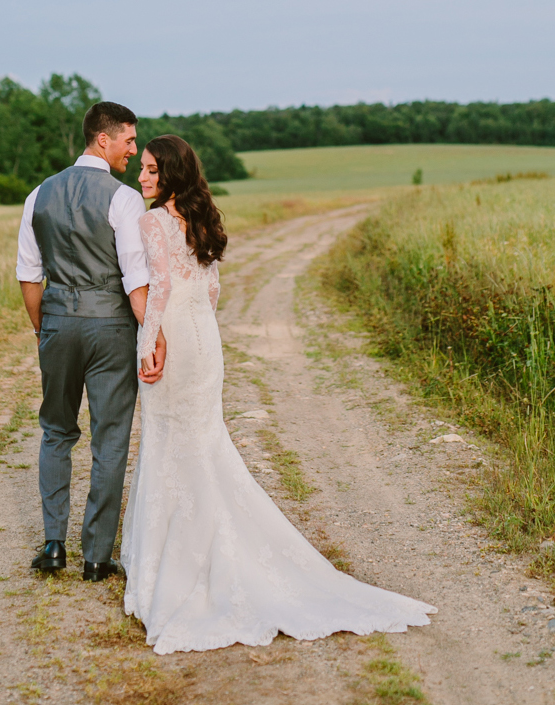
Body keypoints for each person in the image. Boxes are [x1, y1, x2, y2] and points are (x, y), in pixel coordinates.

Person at [120, 134, 436, 654]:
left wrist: (148, 344)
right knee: (202, 440)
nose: (142, 177)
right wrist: (196, 329)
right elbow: (212, 289)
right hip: (205, 338)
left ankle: (176, 558)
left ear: (171, 174)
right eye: (144, 168)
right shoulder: (200, 219)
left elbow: (160, 290)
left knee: (172, 441)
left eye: (151, 170)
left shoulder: (153, 222)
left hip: (173, 334)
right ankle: (200, 543)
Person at [15, 101, 166, 581]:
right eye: (128, 140)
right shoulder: (122, 199)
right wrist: (152, 335)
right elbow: (134, 278)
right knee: (110, 438)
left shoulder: (38, 194)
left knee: (57, 432)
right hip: (110, 329)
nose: (132, 150)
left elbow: (29, 276)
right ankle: (97, 557)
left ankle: (54, 545)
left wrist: (46, 329)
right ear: (103, 139)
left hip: (57, 322)